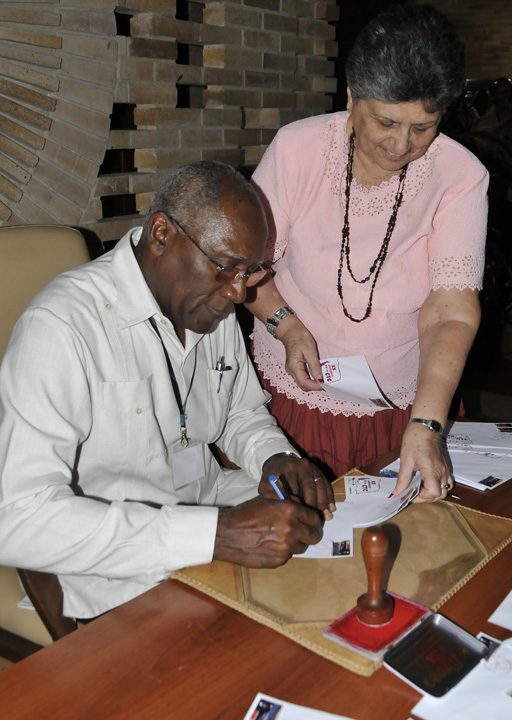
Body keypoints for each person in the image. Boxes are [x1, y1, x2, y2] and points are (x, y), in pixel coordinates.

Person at [0, 161, 335, 621]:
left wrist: (274, 458)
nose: (238, 293)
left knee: (333, 590)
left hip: (211, 511)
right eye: (225, 268)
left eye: (250, 272)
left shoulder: (209, 307)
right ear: (161, 234)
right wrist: (216, 535)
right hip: (117, 575)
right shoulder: (63, 327)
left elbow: (240, 413)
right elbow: (17, 517)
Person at [245, 4, 489, 501]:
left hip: (406, 405)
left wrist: (427, 421)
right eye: (386, 121)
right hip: (297, 394)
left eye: (423, 127)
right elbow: (245, 266)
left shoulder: (460, 177)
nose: (401, 144)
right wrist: (285, 325)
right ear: (352, 96)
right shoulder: (297, 151)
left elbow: (450, 310)